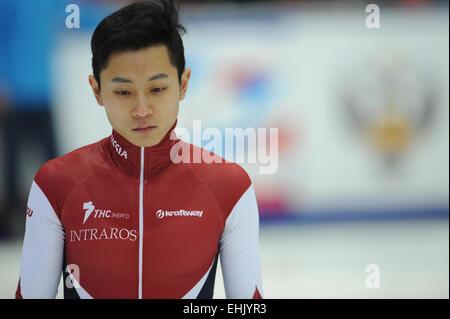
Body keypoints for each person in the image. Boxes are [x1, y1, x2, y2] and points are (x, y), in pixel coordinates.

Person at [16, 0, 263, 299]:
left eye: (157, 89)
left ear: (183, 84)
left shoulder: (230, 187)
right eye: (123, 92)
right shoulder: (55, 184)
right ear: (97, 90)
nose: (141, 109)